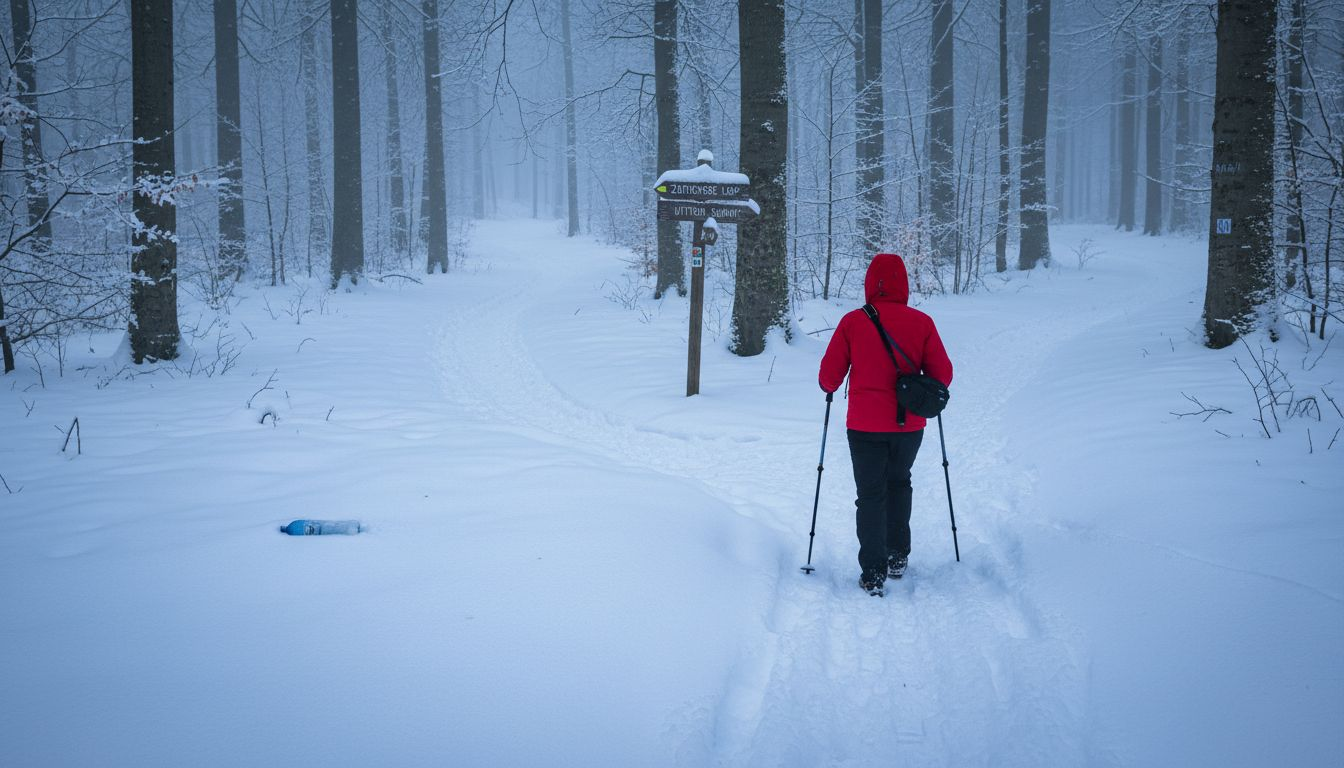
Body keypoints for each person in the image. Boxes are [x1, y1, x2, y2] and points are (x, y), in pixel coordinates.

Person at [818, 253, 953, 596]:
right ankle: (897, 555)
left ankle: (873, 571)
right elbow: (943, 375)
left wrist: (831, 387)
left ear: (869, 283)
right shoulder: (921, 322)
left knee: (870, 493)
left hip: (863, 426)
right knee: (899, 482)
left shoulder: (852, 322)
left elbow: (828, 377)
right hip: (909, 426)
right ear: (903, 284)